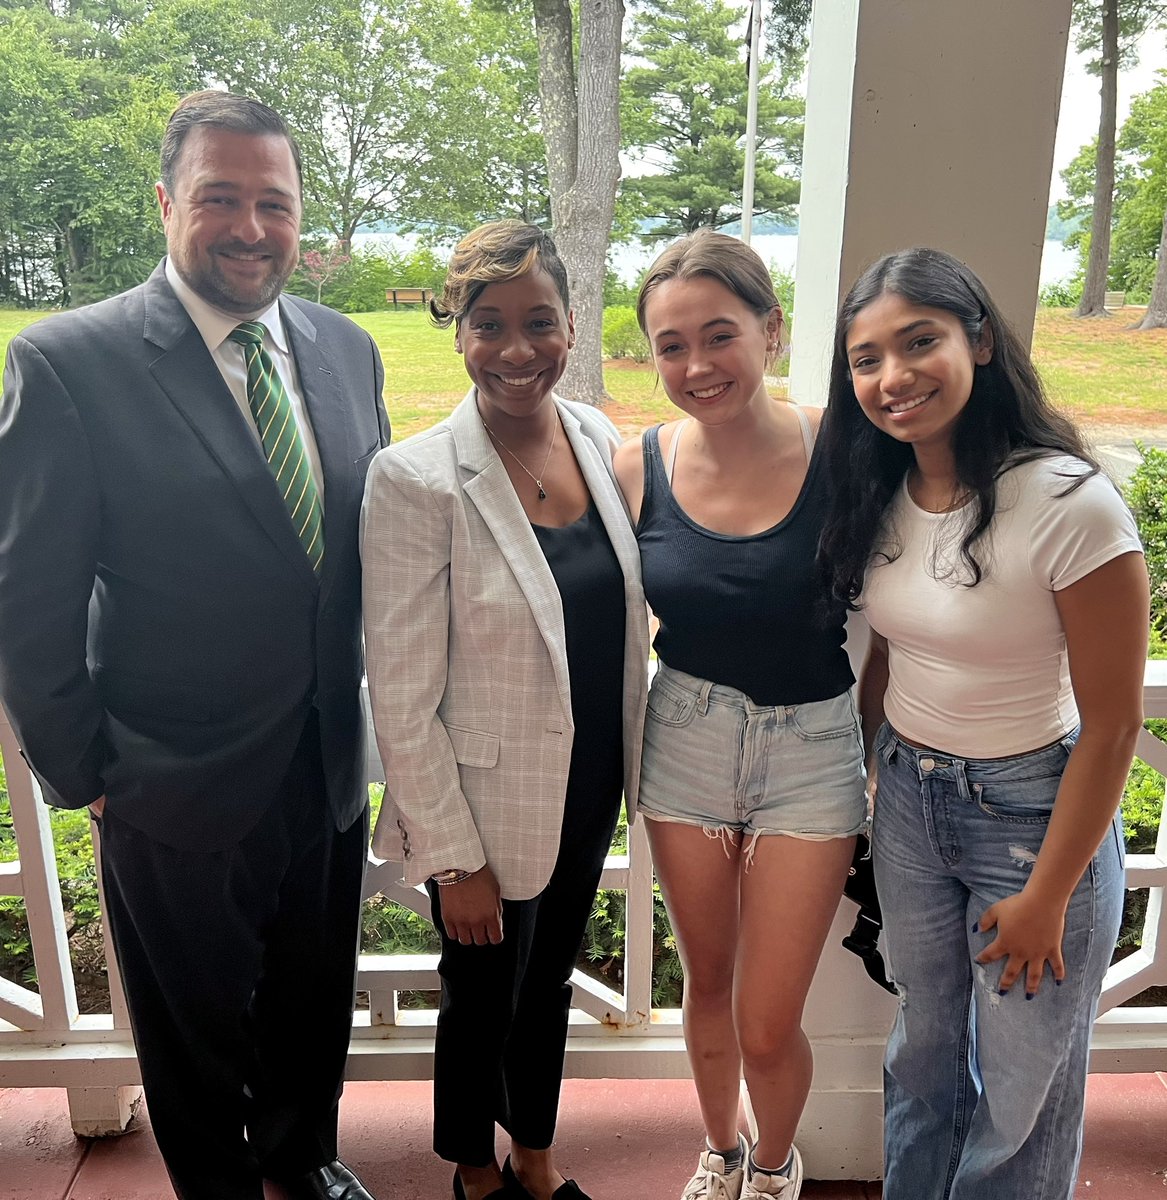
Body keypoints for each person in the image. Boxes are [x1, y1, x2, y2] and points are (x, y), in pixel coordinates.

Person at [0, 91, 389, 1200]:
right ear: (168, 202)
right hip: (168, 781)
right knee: (193, 1032)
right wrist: (88, 777)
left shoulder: (346, 350)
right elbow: (28, 599)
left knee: (314, 1001)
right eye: (221, 197)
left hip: (323, 770)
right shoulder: (73, 363)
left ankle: (302, 1160)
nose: (251, 226)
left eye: (275, 202)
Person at [818, 246, 1149, 1200]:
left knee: (1022, 1089)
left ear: (981, 342)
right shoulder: (879, 491)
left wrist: (1050, 890)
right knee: (922, 1049)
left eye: (918, 342)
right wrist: (878, 777)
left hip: (1031, 815)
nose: (892, 377)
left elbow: (1114, 727)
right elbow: (888, 651)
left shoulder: (1067, 505)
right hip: (912, 804)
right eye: (865, 358)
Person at [361, 220, 649, 1200]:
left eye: (540, 321)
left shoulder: (602, 440)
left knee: (551, 983)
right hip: (481, 806)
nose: (517, 348)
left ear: (572, 325)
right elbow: (401, 694)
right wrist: (452, 856)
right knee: (480, 993)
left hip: (592, 782)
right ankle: (474, 1173)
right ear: (460, 333)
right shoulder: (415, 479)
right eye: (489, 324)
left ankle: (535, 1151)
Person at [612, 229, 867, 1200]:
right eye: (671, 345)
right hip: (685, 734)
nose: (696, 365)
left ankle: (774, 1166)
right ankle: (721, 1153)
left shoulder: (843, 453)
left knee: (768, 1017)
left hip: (812, 744)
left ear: (770, 328)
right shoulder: (637, 466)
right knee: (706, 985)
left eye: (719, 335)